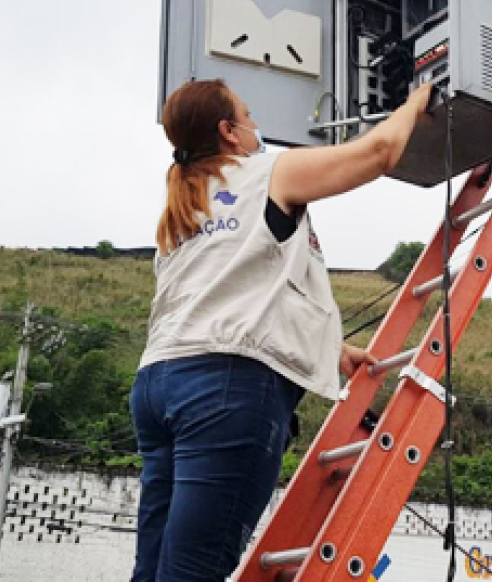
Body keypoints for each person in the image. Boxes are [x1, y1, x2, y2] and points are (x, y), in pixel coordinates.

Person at [130, 78, 432, 581]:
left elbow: (231, 294)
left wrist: (330, 348)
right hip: (225, 390)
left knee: (157, 569)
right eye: (248, 115)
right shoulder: (269, 171)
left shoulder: (182, 207)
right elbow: (380, 151)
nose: (257, 128)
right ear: (229, 131)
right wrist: (417, 100)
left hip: (158, 386)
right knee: (195, 571)